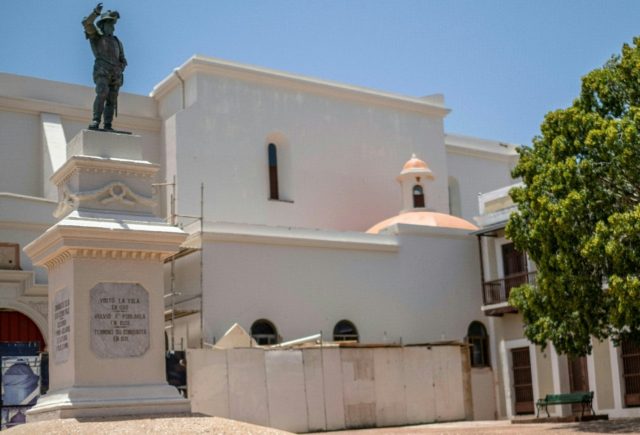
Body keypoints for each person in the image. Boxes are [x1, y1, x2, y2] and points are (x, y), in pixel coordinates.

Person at [82, 3, 127, 131]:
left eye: (113, 24)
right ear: (103, 24)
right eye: (110, 23)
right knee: (102, 93)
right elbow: (87, 23)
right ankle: (96, 120)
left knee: (112, 100)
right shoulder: (96, 36)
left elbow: (123, 59)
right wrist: (95, 12)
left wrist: (120, 67)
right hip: (102, 70)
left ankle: (108, 124)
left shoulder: (117, 41)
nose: (112, 27)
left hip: (116, 73)